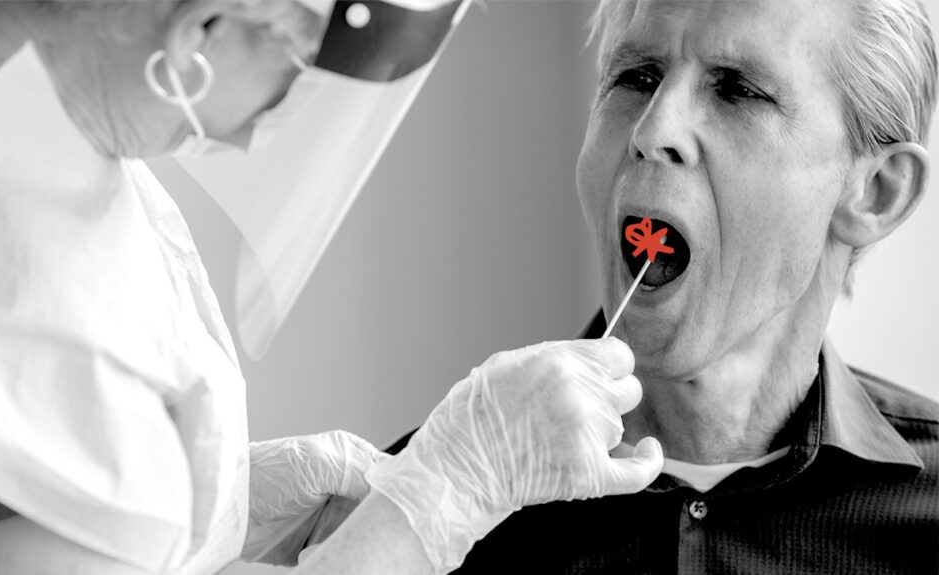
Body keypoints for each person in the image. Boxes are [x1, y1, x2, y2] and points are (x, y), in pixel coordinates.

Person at [0, 1, 664, 574]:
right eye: (293, 70)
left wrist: (211, 511)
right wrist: (443, 495)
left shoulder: (50, 136)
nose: (253, 132)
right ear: (201, 28)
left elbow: (40, 497)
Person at [365, 0, 939, 572]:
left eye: (737, 89)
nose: (653, 129)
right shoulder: (419, 511)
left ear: (876, 192)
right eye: (638, 77)